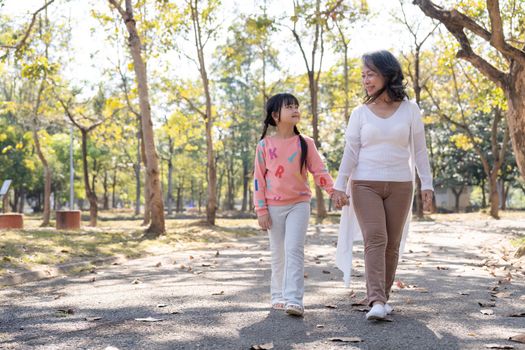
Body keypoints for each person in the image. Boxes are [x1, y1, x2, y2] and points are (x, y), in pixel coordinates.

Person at [331, 50, 434, 321]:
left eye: (371, 73)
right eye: (363, 75)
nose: (366, 80)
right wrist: (339, 186)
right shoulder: (360, 113)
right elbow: (350, 152)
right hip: (365, 184)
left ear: (387, 74)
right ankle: (376, 300)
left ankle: (382, 297)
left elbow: (420, 151)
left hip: (401, 184)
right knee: (376, 238)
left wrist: (427, 184)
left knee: (392, 244)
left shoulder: (411, 110)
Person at [253, 93, 334, 317]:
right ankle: (277, 295)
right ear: (275, 115)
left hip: (299, 204)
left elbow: (319, 171)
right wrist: (261, 210)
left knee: (294, 249)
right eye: (289, 106)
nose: (295, 109)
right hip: (273, 207)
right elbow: (258, 180)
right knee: (278, 253)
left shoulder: (305, 143)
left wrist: (333, 191)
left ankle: (294, 299)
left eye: (296, 106)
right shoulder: (264, 146)